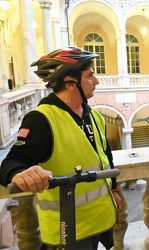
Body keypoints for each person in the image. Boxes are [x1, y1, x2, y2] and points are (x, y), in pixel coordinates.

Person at [0, 47, 122, 250]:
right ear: (70, 82)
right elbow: (11, 163)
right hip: (68, 232)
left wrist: (115, 189)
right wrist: (21, 173)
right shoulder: (41, 119)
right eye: (90, 75)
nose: (97, 81)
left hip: (101, 220)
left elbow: (105, 157)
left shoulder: (93, 115)